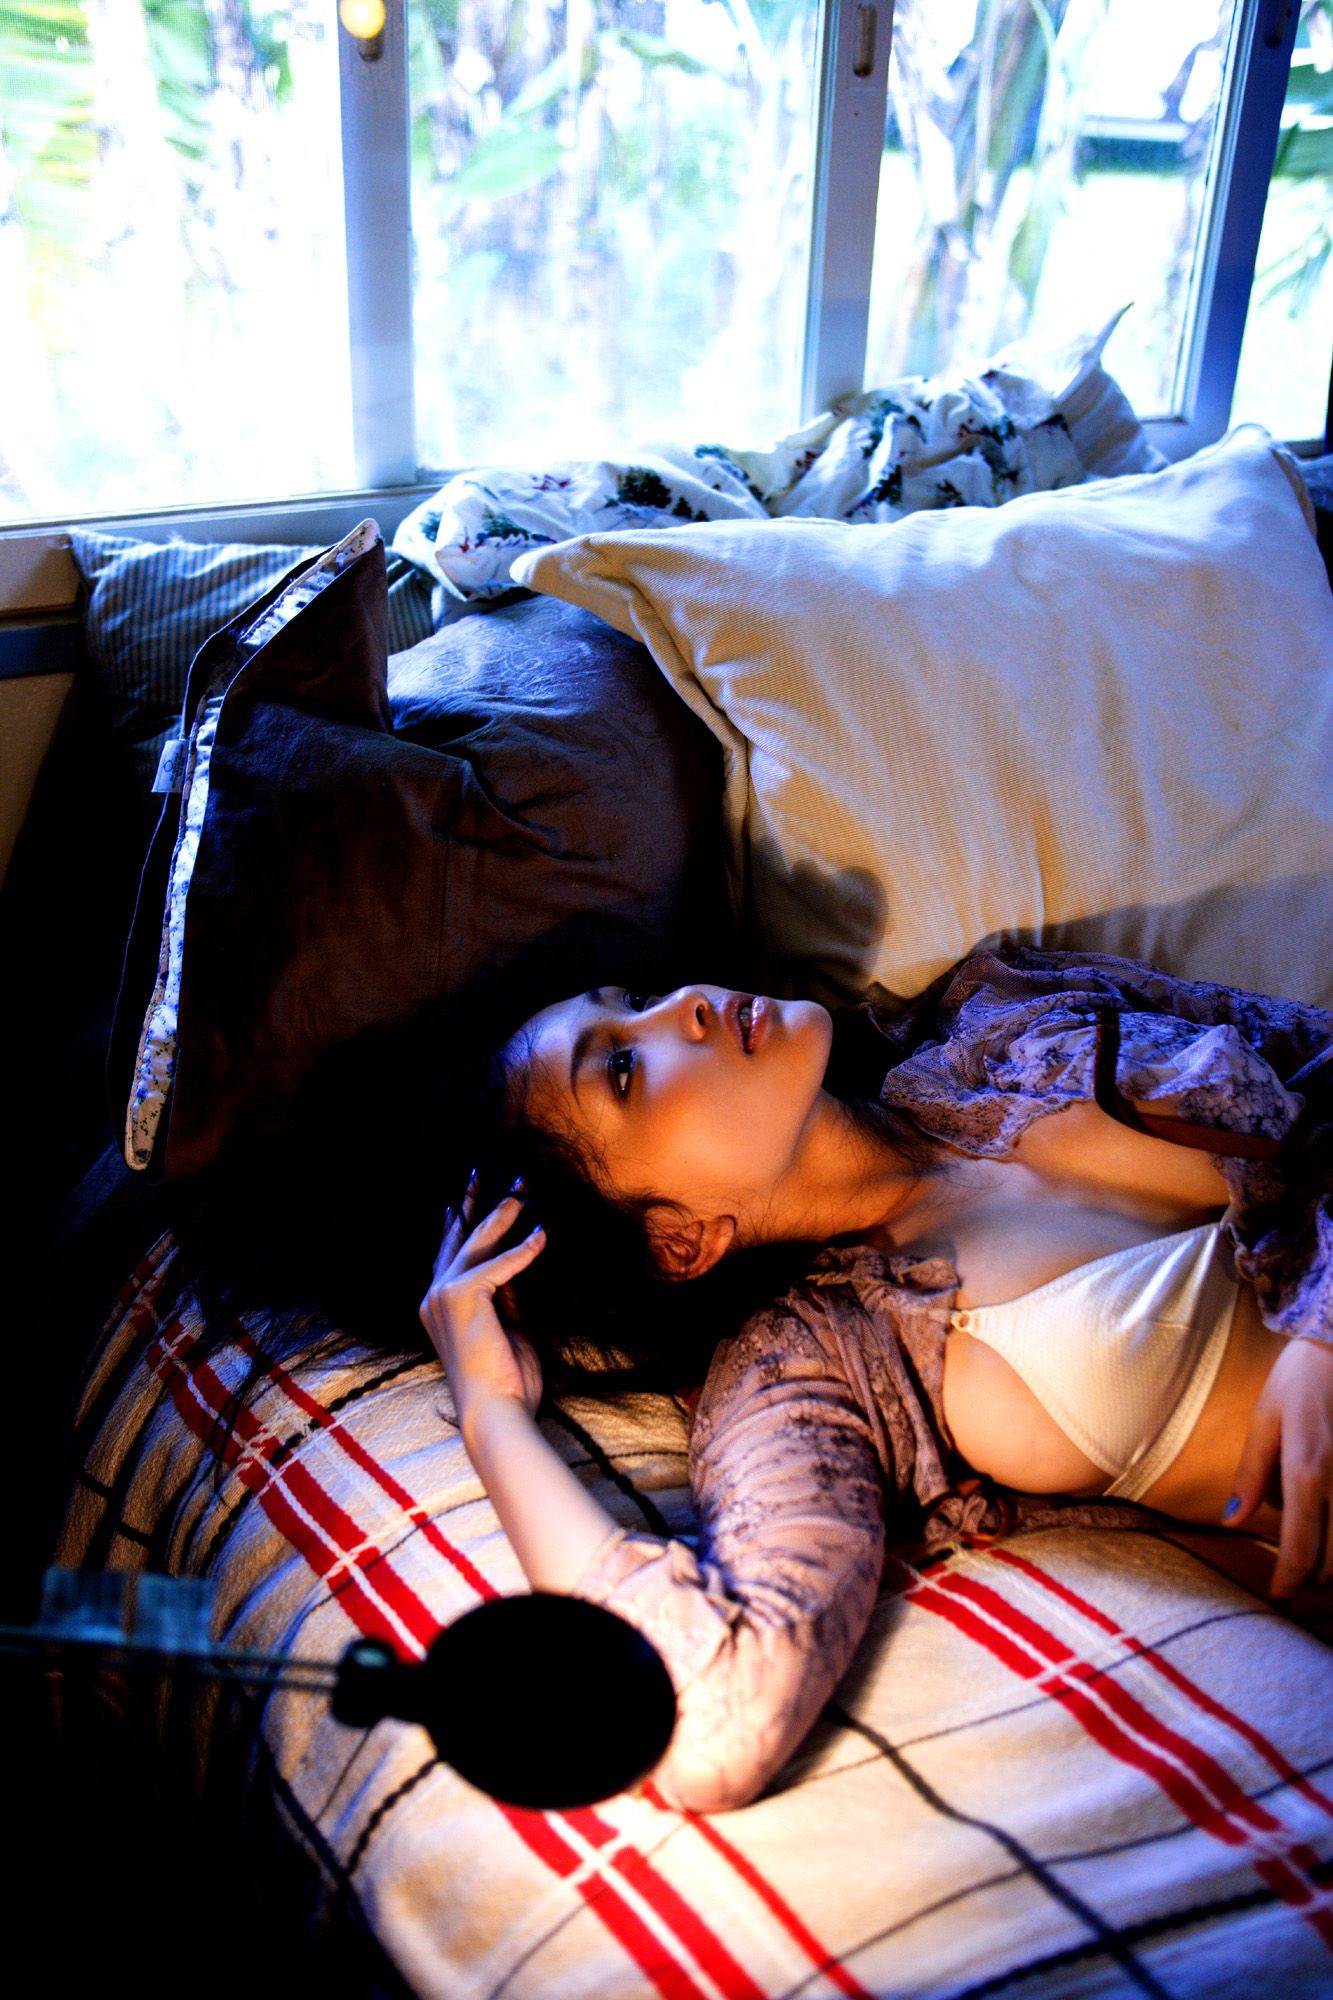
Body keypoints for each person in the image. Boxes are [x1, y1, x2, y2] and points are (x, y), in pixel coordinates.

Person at [418, 947, 1332, 1813]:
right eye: (622, 1071)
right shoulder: (815, 1363)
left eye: (635, 999)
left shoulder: (1002, 1011)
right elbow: (713, 1730)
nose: (685, 1005)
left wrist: (1319, 1322)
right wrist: (492, 1417)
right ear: (677, 1242)